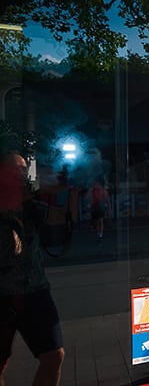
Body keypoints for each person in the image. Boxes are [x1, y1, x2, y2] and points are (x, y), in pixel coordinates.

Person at [0, 151, 65, 386]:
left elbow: (62, 222)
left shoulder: (30, 205)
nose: (22, 174)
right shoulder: (15, 203)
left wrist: (71, 189)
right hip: (3, 296)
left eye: (24, 168)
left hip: (35, 291)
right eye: (15, 169)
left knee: (54, 356)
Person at [89, 178, 110, 242]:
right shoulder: (93, 190)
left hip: (100, 207)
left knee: (100, 221)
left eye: (96, 183)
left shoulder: (102, 190)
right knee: (98, 222)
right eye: (94, 183)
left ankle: (100, 235)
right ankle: (99, 235)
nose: (95, 184)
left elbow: (107, 199)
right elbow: (89, 198)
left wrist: (109, 208)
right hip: (96, 207)